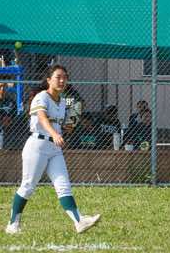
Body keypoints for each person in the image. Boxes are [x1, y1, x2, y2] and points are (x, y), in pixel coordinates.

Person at [6, 64, 100, 235]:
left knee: (63, 186)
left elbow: (62, 126)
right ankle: (12, 224)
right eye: (58, 77)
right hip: (37, 146)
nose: (62, 80)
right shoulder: (42, 96)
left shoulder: (62, 102)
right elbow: (42, 118)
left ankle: (79, 221)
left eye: (65, 77)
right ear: (49, 80)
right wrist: (55, 134)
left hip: (54, 148)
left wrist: (69, 126)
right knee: (28, 186)